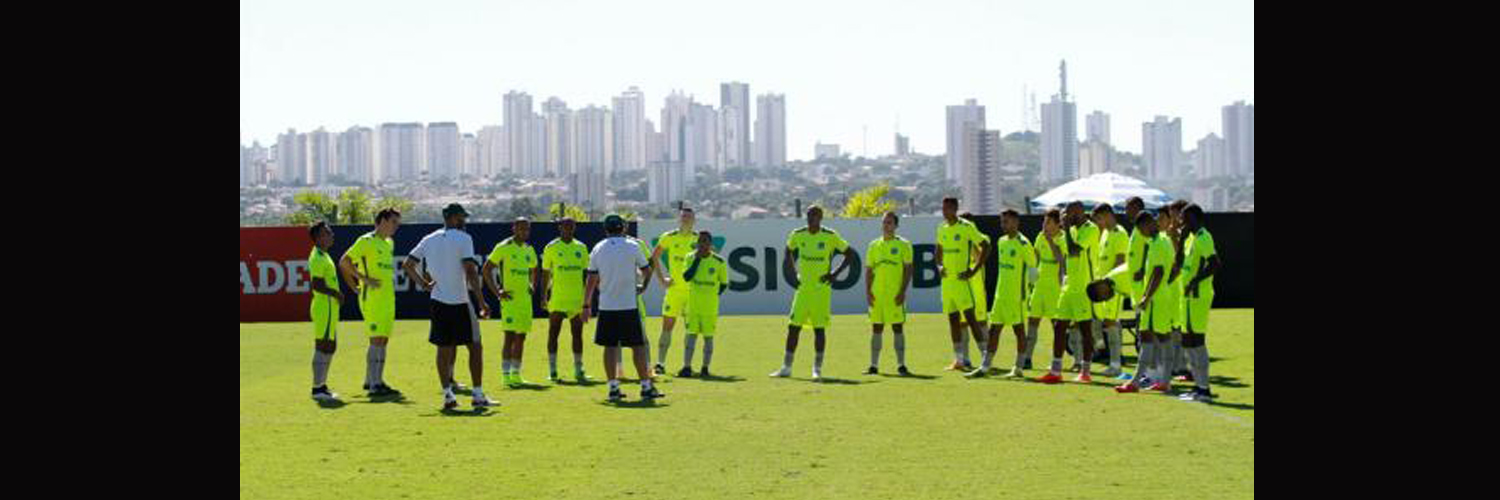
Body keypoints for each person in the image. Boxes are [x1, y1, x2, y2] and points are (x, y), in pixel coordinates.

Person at [403, 203, 495, 410]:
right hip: (461, 302)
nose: (464, 221)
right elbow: (470, 272)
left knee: (443, 350)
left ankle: (448, 396)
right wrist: (481, 301)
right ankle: (478, 395)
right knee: (475, 347)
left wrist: (423, 284)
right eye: (462, 217)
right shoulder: (464, 238)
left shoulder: (429, 239)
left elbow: (407, 265)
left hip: (438, 302)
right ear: (453, 218)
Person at [584, 214, 664, 402]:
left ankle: (613, 388)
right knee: (637, 346)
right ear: (623, 228)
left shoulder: (598, 248)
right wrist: (642, 287)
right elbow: (646, 270)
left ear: (606, 229)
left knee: (610, 347)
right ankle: (645, 386)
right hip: (628, 305)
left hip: (607, 306)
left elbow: (591, 279)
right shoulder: (633, 246)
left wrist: (586, 304)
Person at [769, 205, 854, 381]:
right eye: (809, 215)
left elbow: (850, 254)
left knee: (819, 329)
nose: (811, 218)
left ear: (821, 218)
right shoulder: (798, 234)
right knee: (793, 327)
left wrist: (834, 275)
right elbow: (788, 250)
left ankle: (817, 369)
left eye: (815, 215)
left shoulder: (830, 236)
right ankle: (786, 367)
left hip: (821, 291)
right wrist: (792, 271)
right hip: (803, 289)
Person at [338, 208, 403, 398]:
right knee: (376, 340)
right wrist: (361, 281)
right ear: (382, 221)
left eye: (398, 223)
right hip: (373, 298)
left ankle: (372, 380)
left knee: (382, 339)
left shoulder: (389, 243)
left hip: (387, 298)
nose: (396, 227)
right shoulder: (366, 241)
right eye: (393, 222)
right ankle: (376, 384)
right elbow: (344, 262)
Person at [968, 210, 1036, 378]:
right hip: (1000, 296)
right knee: (994, 330)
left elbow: (1034, 270)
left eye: (1006, 221)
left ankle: (1018, 367)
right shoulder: (1001, 241)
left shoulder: (1023, 243)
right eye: (1002, 221)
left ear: (1015, 222)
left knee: (1018, 331)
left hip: (1016, 297)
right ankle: (985, 367)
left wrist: (1028, 290)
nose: (1003, 225)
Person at [1037, 202, 1099, 384]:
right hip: (1068, 286)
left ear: (1078, 212)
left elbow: (1074, 251)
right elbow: (1062, 253)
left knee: (1085, 329)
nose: (1066, 216)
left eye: (1069, 212)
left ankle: (1085, 371)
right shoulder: (1070, 231)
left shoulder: (1091, 229)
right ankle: (1056, 371)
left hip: (1084, 287)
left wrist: (1068, 230)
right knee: (1059, 326)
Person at [1115, 211, 1172, 394]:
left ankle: (1152, 381)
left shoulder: (1158, 243)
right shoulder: (1159, 241)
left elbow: (1159, 272)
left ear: (1148, 224)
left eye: (1141, 229)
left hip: (1157, 299)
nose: (1141, 233)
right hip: (1158, 298)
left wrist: (1146, 297)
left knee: (1160, 337)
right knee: (1148, 336)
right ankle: (1142, 380)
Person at [481, 218, 539, 388]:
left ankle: (516, 374)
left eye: (527, 229)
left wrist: (532, 284)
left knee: (521, 337)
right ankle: (505, 375)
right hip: (510, 300)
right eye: (520, 229)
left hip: (525, 300)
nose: (524, 232)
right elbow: (486, 269)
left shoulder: (529, 249)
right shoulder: (504, 247)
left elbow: (535, 268)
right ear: (514, 229)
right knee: (510, 336)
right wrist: (497, 291)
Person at [936, 198, 992, 372]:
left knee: (971, 319)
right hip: (947, 284)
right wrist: (939, 265)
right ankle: (959, 359)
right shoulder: (942, 228)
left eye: (947, 208)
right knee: (953, 321)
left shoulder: (966, 227)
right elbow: (938, 250)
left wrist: (973, 271)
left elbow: (986, 246)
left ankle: (985, 358)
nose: (944, 212)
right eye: (943, 208)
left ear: (955, 209)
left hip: (962, 282)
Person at [1177, 204, 1222, 402]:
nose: (1182, 222)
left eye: (1185, 218)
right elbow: (1180, 264)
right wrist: (1180, 239)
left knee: (1197, 339)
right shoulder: (1191, 238)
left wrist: (1195, 281)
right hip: (1186, 297)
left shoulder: (1204, 237)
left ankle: (1204, 389)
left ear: (1195, 218)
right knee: (1187, 340)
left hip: (1198, 296)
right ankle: (1197, 386)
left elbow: (1215, 263)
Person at [540, 217, 592, 383]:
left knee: (577, 334)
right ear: (559, 227)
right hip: (557, 299)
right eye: (565, 226)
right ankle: (553, 370)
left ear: (575, 228)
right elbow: (545, 273)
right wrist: (543, 296)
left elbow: (587, 274)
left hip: (576, 299)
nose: (569, 229)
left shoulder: (581, 247)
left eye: (572, 226)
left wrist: (587, 300)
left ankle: (578, 370)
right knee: (553, 333)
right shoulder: (551, 247)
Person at [650, 207, 699, 375]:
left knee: (690, 329)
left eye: (689, 217)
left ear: (694, 220)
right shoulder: (669, 237)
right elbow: (654, 257)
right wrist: (661, 279)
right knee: (667, 327)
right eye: (683, 216)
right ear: (679, 219)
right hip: (674, 291)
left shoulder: (699, 239)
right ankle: (660, 364)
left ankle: (687, 366)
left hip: (693, 292)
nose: (685, 219)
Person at [864, 212, 914, 376]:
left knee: (897, 327)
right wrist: (868, 292)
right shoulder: (873, 245)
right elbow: (869, 270)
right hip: (877, 294)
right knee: (876, 328)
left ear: (896, 226)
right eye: (884, 222)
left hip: (894, 294)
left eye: (890, 223)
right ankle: (873, 365)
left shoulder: (903, 244)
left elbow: (908, 269)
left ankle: (901, 365)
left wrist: (902, 291)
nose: (886, 225)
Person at [678, 231, 730, 377]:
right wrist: (697, 260)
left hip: (710, 308)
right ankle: (687, 367)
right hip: (693, 306)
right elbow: (687, 277)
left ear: (710, 244)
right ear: (697, 242)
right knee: (690, 337)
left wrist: (713, 295)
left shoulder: (719, 262)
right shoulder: (690, 257)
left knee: (708, 338)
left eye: (706, 242)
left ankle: (705, 368)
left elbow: (724, 284)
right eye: (700, 241)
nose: (703, 245)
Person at [1023, 210, 1066, 372]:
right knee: (1032, 322)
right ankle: (1027, 358)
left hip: (1055, 289)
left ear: (1057, 224)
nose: (1044, 226)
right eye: (1044, 222)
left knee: (1057, 326)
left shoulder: (1062, 238)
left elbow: (1059, 259)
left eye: (1048, 222)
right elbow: (1035, 257)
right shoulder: (1040, 237)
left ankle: (1058, 360)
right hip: (1039, 287)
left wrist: (1050, 241)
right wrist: (1030, 275)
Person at [307, 222, 345, 402]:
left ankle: (322, 385)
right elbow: (317, 285)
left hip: (329, 307)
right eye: (327, 233)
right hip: (324, 307)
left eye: (330, 232)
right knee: (322, 345)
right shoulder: (317, 257)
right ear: (318, 238)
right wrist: (336, 293)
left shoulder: (324, 255)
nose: (331, 235)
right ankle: (317, 388)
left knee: (330, 346)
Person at [1092, 204, 1130, 377]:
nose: (1098, 223)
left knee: (1111, 322)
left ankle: (1116, 364)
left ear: (1107, 215)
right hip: (1102, 287)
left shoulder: (1120, 233)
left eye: (1099, 218)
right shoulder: (1105, 233)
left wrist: (1107, 283)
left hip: (1112, 287)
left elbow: (1120, 261)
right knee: (1100, 320)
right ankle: (1104, 350)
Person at [955, 212, 992, 368]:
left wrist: (970, 242)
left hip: (977, 289)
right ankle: (964, 359)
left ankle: (987, 357)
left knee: (981, 323)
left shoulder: (983, 238)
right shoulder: (957, 238)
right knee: (962, 324)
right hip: (963, 287)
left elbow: (979, 259)